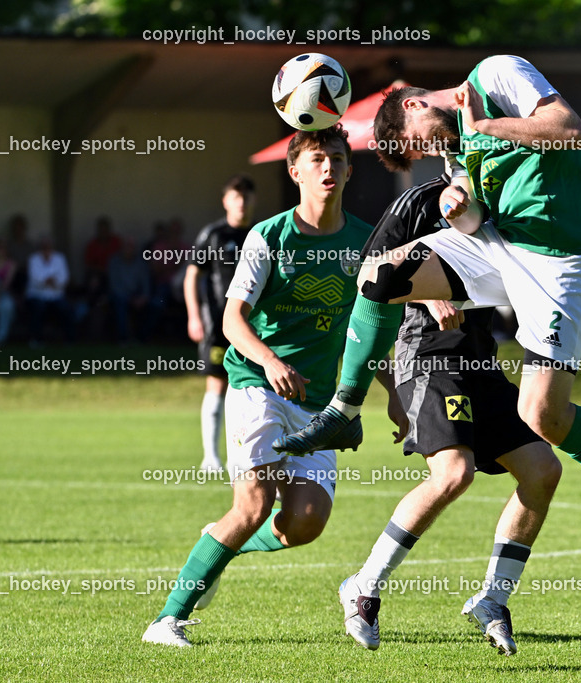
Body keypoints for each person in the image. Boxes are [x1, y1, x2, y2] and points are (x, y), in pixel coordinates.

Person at [275, 55, 581, 585]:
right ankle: (345, 408)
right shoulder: (458, 154)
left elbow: (569, 130)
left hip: (561, 260)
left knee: (543, 417)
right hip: (501, 252)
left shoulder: (496, 76)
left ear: (416, 104)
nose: (433, 152)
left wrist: (482, 127)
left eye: (422, 142)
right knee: (379, 277)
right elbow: (475, 221)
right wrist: (457, 206)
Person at [338, 172, 581, 655]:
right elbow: (370, 274)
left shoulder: (492, 207)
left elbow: (557, 265)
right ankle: (363, 587)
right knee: (453, 474)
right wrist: (421, 315)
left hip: (479, 361)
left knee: (542, 470)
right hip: (425, 356)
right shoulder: (416, 203)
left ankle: (493, 599)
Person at [142, 125, 405, 648]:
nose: (328, 167)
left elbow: (370, 329)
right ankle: (167, 620)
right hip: (255, 385)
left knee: (306, 522)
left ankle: (218, 546)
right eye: (316, 159)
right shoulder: (270, 236)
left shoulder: (367, 242)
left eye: (336, 158)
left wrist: (395, 394)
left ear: (351, 170)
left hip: (319, 405)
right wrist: (267, 362)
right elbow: (232, 322)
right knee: (254, 504)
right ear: (295, 171)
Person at [183, 176, 257, 472]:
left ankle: (241, 457)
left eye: (246, 197)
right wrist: (194, 315)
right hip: (216, 325)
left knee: (251, 388)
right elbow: (192, 276)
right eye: (235, 197)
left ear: (254, 201)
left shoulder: (260, 234)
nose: (241, 203)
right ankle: (210, 457)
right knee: (216, 384)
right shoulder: (213, 235)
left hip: (253, 328)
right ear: (226, 201)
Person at [25, 235, 73, 345]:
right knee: (38, 308)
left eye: (49, 247)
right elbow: (34, 279)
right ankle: (36, 339)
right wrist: (47, 280)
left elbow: (64, 278)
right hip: (37, 294)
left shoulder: (60, 258)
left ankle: (69, 340)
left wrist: (52, 281)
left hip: (56, 295)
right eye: (44, 247)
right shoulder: (33, 259)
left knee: (66, 308)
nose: (46, 249)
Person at [108, 238, 155, 343]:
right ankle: (123, 338)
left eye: (131, 247)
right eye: (126, 247)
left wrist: (144, 297)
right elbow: (114, 285)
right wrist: (130, 298)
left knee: (154, 305)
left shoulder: (141, 264)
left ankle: (141, 338)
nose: (129, 250)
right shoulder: (114, 262)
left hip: (137, 295)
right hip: (120, 295)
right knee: (120, 302)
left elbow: (146, 284)